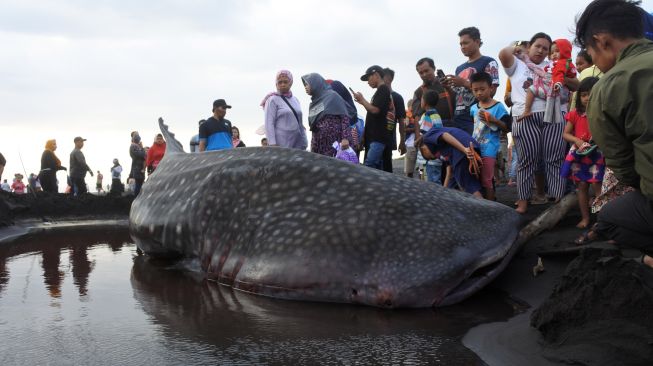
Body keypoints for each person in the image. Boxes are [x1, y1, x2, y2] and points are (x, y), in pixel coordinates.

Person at [575, 0, 653, 267]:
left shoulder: (608, 87)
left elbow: (623, 167)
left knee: (608, 218)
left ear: (602, 41)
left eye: (590, 53)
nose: (596, 62)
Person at [499, 32, 579, 214]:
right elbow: (503, 54)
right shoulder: (517, 64)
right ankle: (523, 200)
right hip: (524, 116)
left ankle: (558, 200)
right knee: (526, 161)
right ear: (529, 47)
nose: (541, 50)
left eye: (546, 48)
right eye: (538, 46)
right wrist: (515, 47)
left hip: (555, 115)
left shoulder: (554, 65)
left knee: (555, 159)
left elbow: (577, 85)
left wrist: (559, 78)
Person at [560, 77, 604, 229]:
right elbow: (565, 134)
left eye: (591, 94)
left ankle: (601, 221)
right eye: (584, 94)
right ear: (579, 97)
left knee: (599, 187)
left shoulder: (602, 113)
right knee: (582, 187)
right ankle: (585, 218)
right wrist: (577, 141)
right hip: (580, 155)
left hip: (597, 154)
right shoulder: (575, 114)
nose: (587, 98)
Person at [444, 27, 500, 135]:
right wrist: (447, 86)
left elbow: (492, 92)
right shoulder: (459, 68)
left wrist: (464, 83)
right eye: (460, 44)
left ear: (477, 42)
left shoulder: (489, 62)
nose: (462, 47)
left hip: (477, 118)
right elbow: (456, 97)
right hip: (458, 119)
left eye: (466, 43)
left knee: (476, 151)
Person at [469, 72, 511, 201]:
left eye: (482, 89)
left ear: (491, 88)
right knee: (476, 176)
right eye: (475, 90)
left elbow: (507, 127)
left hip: (490, 148)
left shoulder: (498, 107)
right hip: (475, 147)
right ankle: (483, 203)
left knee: (487, 178)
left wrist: (494, 120)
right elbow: (474, 126)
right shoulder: (473, 108)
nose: (479, 93)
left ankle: (491, 205)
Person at [519, 38, 577, 122]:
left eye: (557, 51)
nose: (553, 54)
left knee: (531, 89)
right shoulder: (560, 63)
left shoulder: (561, 63)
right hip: (558, 92)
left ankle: (527, 110)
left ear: (565, 51)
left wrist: (558, 82)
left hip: (557, 90)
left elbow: (559, 74)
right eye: (552, 52)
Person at [416, 127, 483, 198]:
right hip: (470, 147)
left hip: (462, 152)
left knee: (469, 187)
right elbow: (449, 172)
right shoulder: (440, 148)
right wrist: (443, 192)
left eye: (430, 157)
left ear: (423, 149)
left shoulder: (427, 137)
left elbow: (445, 135)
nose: (434, 157)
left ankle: (481, 206)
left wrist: (464, 149)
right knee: (466, 183)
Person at [352, 65, 393, 170]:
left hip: (378, 138)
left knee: (369, 166)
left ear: (376, 75)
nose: (368, 82)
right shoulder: (380, 91)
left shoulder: (383, 89)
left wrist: (362, 100)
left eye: (368, 78)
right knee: (377, 169)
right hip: (374, 137)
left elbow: (375, 110)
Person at [301, 73, 351, 157]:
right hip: (319, 145)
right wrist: (313, 148)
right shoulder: (313, 103)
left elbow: (344, 118)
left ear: (315, 83)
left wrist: (345, 138)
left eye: (307, 84)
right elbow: (314, 127)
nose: (305, 87)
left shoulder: (333, 96)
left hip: (335, 144)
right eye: (304, 85)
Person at [262, 70, 308, 150]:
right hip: (281, 143)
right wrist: (272, 144)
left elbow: (300, 123)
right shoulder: (272, 99)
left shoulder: (295, 100)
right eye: (280, 82)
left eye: (285, 82)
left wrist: (304, 142)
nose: (282, 84)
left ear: (290, 83)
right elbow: (269, 123)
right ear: (276, 84)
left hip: (297, 143)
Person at [412, 58, 455, 126]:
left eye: (426, 71)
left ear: (434, 68)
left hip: (454, 125)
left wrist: (449, 88)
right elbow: (417, 117)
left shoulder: (446, 83)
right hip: (433, 130)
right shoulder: (418, 92)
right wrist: (418, 135)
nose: (424, 74)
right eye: (421, 73)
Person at [413, 90, 444, 184]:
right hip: (431, 159)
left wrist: (416, 142)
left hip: (427, 160)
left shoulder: (428, 115)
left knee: (429, 182)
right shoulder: (436, 116)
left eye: (421, 99)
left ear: (424, 102)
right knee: (429, 179)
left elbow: (425, 135)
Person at [382, 68, 407, 172]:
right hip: (373, 139)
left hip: (388, 138)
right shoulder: (376, 96)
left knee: (386, 168)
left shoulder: (397, 97)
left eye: (382, 76)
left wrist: (402, 141)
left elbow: (401, 121)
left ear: (390, 79)